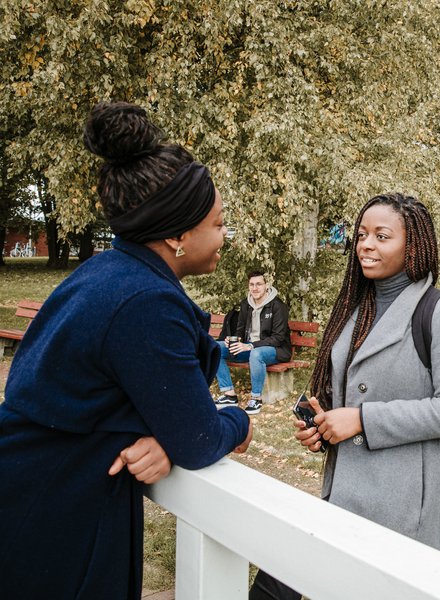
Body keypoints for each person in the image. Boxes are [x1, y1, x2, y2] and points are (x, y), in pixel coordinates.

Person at [0, 101, 252, 600]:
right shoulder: (147, 303)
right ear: (179, 234)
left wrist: (165, 434)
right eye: (219, 224)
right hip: (55, 510)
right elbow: (199, 440)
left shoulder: (110, 271)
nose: (226, 236)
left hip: (38, 487)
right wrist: (238, 420)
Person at [249, 193, 440, 600]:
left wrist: (360, 420)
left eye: (381, 236)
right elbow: (343, 392)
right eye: (361, 235)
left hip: (409, 507)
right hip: (345, 494)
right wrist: (321, 429)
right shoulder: (354, 310)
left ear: (413, 244)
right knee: (277, 581)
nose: (366, 245)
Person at [215, 271, 291, 415]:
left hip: (275, 350)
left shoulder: (278, 306)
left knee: (256, 354)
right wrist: (234, 339)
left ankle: (256, 398)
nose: (255, 288)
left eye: (259, 284)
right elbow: (240, 330)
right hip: (250, 348)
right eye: (252, 284)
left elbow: (278, 338)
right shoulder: (246, 304)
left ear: (266, 286)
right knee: (215, 348)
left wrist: (250, 345)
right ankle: (229, 395)